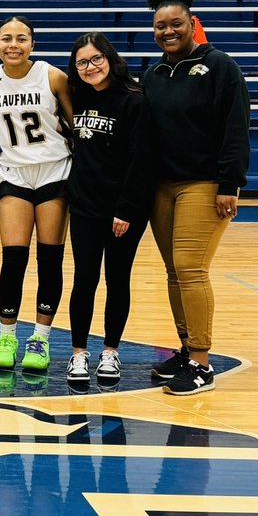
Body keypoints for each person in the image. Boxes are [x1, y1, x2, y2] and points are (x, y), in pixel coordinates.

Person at [142, 0, 250, 396]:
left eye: (176, 24)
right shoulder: (154, 73)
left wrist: (230, 184)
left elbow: (236, 128)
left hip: (203, 185)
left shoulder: (220, 67)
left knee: (190, 268)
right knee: (174, 271)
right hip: (162, 187)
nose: (168, 31)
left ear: (192, 23)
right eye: (160, 26)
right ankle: (187, 349)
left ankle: (202, 364)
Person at [0, 16, 73, 374]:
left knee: (49, 259)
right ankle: (7, 336)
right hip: (14, 172)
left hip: (54, 171)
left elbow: (77, 125)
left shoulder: (53, 77)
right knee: (13, 259)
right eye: (6, 38)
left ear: (32, 43)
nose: (13, 45)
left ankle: (40, 338)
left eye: (21, 39)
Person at [65, 33, 154, 386]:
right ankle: (78, 353)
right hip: (85, 206)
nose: (90, 67)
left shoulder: (134, 100)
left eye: (96, 59)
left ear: (110, 58)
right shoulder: (76, 96)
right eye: (82, 62)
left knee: (117, 279)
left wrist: (127, 208)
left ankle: (111, 351)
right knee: (84, 279)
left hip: (123, 210)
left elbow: (141, 158)